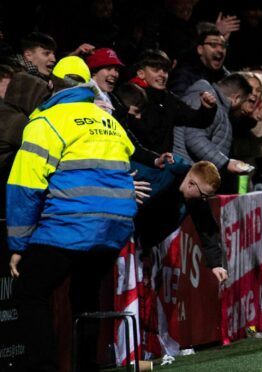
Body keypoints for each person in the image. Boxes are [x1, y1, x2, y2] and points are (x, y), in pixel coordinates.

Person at [6, 57, 137, 370]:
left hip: (73, 222)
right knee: (84, 292)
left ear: (52, 85)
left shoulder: (46, 123)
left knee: (29, 289)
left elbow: (25, 187)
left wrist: (18, 245)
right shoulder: (108, 121)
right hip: (116, 227)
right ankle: (87, 366)